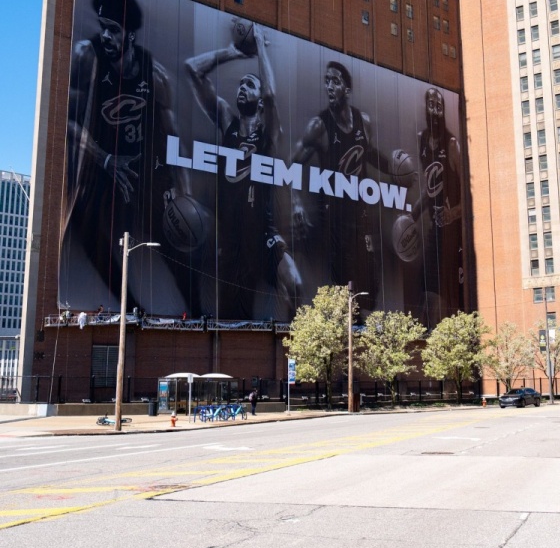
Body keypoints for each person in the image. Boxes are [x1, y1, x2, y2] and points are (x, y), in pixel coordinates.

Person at [62, 0, 192, 314]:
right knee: (83, 224)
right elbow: (67, 122)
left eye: (114, 31)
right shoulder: (84, 56)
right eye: (103, 28)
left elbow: (172, 138)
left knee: (177, 232)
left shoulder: (157, 76)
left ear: (130, 36)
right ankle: (130, 308)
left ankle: (193, 307)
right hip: (100, 164)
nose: (105, 36)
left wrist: (184, 193)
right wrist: (105, 159)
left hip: (142, 169)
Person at [185, 23, 301, 320]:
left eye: (249, 84)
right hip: (232, 239)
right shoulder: (227, 121)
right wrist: (231, 53)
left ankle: (298, 349)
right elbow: (192, 69)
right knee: (232, 319)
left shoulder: (269, 132)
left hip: (264, 232)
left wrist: (260, 44)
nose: (241, 88)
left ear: (260, 101)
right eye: (239, 84)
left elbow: (273, 96)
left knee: (296, 285)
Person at [291, 61, 392, 301]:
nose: (328, 86)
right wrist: (296, 202)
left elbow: (368, 154)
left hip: (361, 217)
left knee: (370, 293)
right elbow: (292, 165)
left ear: (347, 89)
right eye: (326, 81)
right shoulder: (319, 126)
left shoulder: (363, 121)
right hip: (333, 221)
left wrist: (396, 171)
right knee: (343, 292)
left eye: (335, 81)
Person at [410, 87, 464, 323]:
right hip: (435, 229)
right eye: (430, 104)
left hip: (453, 235)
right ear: (425, 108)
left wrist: (453, 214)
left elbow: (470, 197)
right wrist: (413, 213)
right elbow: (429, 187)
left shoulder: (452, 144)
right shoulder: (421, 140)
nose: (434, 109)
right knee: (425, 288)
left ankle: (442, 340)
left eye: (439, 106)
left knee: (440, 292)